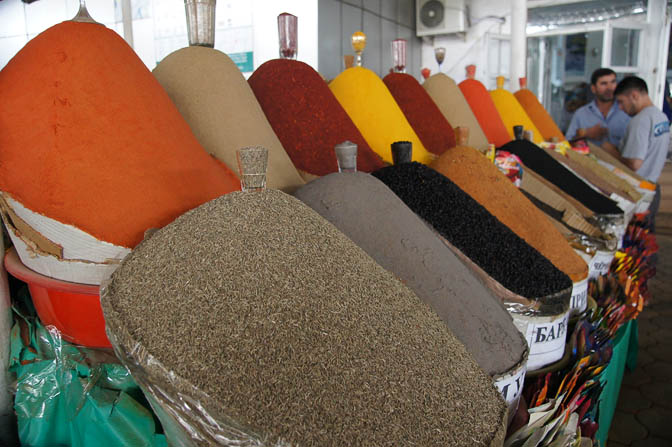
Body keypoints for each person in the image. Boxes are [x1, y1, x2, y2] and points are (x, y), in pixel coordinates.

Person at [612, 76, 669, 231]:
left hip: (638, 191)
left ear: (634, 96)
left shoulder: (640, 120)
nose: (621, 108)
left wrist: (610, 152)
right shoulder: (661, 117)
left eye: (621, 102)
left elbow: (634, 164)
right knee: (644, 240)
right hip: (652, 189)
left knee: (634, 243)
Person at [566, 68, 631, 147]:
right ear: (593, 89)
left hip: (619, 159)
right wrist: (586, 133)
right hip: (588, 159)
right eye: (604, 83)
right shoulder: (581, 114)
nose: (610, 88)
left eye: (613, 82)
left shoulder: (627, 111)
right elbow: (567, 145)